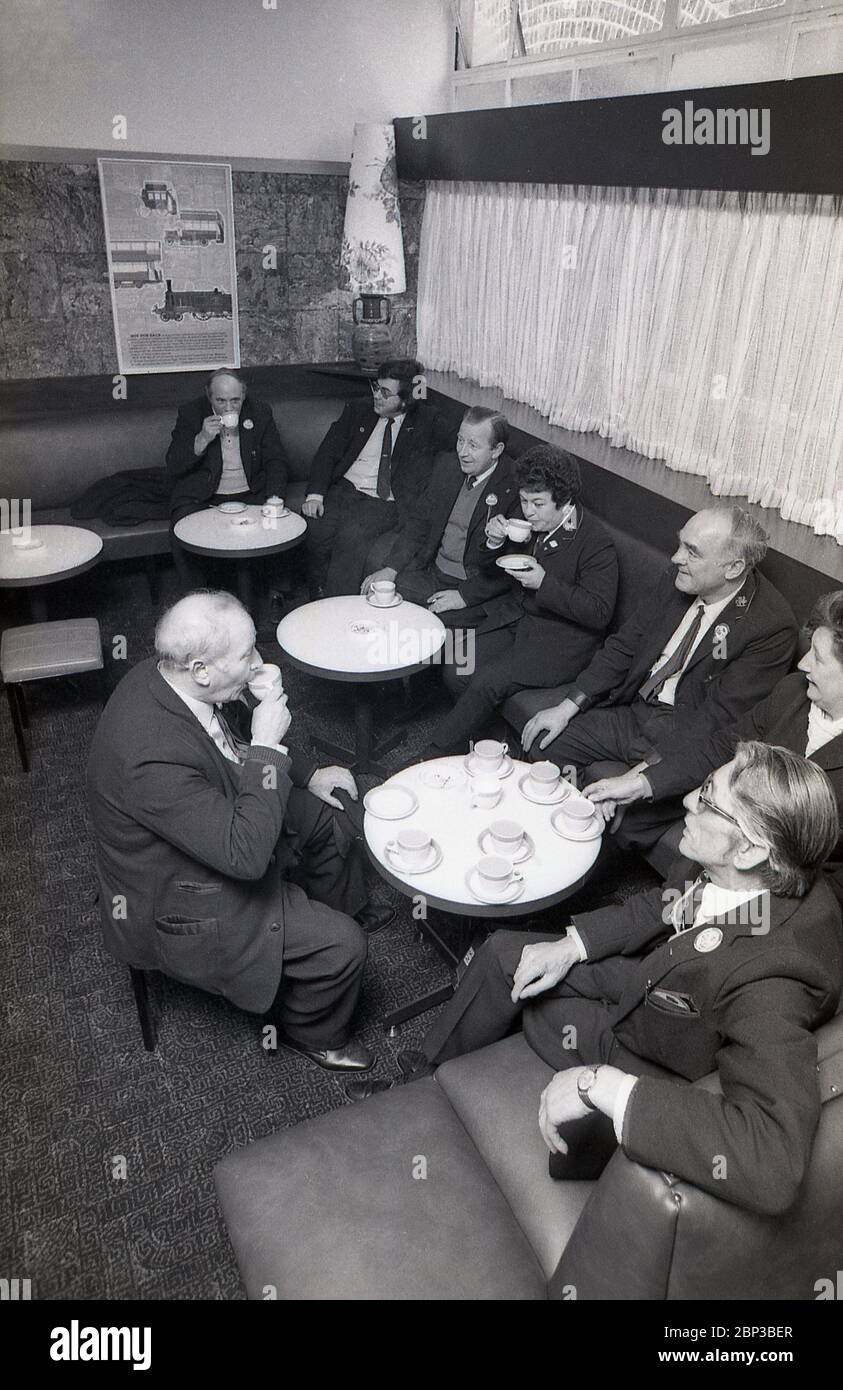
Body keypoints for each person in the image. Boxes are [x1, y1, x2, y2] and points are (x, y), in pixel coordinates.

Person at [350, 743, 843, 1217]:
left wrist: (603, 1088)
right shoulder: (738, 869)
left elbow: (773, 1160)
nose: (689, 800)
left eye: (709, 799)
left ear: (752, 851)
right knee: (506, 953)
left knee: (520, 995)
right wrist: (570, 946)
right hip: (658, 980)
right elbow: (664, 904)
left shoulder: (776, 975)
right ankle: (422, 1078)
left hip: (653, 1053)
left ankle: (420, 1123)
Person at [87, 591, 393, 1074]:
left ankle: (316, 926)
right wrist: (270, 745)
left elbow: (226, 740)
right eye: (248, 655)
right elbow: (244, 856)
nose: (259, 665)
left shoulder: (175, 675)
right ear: (202, 669)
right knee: (345, 945)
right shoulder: (148, 755)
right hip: (178, 888)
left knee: (330, 820)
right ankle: (313, 1032)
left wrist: (306, 771)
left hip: (222, 801)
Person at [584, 590, 843, 897]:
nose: (802, 664)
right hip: (728, 850)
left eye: (817, 657)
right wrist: (639, 783)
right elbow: (722, 746)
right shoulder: (791, 693)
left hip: (793, 893)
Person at [521, 506, 797, 779]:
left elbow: (716, 719)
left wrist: (644, 776)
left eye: (692, 552)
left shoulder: (769, 626)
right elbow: (626, 645)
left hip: (686, 736)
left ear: (734, 567)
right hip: (636, 710)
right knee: (543, 746)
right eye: (680, 544)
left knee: (626, 816)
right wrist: (566, 707)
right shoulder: (679, 578)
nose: (676, 558)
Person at [421, 445, 618, 755]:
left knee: (486, 681)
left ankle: (431, 753)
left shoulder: (594, 541)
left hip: (560, 641)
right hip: (517, 617)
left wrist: (544, 583)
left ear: (564, 501)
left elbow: (600, 612)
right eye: (525, 501)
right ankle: (489, 742)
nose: (527, 512)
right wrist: (492, 541)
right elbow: (491, 568)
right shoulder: (530, 522)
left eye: (537, 504)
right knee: (458, 665)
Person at [301, 360, 454, 597]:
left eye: (385, 392)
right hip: (344, 490)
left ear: (405, 400)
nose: (376, 396)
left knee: (352, 537)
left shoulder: (427, 422)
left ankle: (340, 605)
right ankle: (317, 595)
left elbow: (462, 440)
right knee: (316, 528)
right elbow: (328, 451)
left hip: (382, 501)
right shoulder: (357, 409)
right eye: (376, 387)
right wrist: (315, 494)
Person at [166, 369, 289, 591]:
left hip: (250, 491)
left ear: (243, 395)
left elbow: (276, 460)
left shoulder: (260, 411)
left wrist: (274, 497)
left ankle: (275, 594)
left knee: (277, 523)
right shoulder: (191, 413)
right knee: (180, 525)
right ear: (209, 396)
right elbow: (174, 464)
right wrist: (202, 438)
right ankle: (197, 598)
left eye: (235, 400)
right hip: (205, 494)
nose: (229, 408)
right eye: (221, 401)